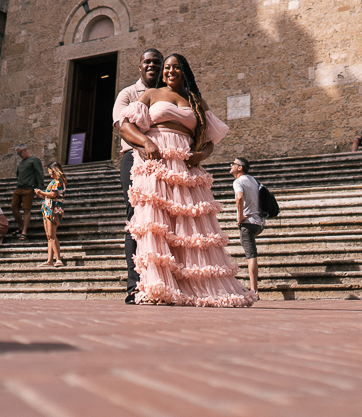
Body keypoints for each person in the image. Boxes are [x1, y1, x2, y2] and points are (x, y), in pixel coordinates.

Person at [120, 53, 255, 306]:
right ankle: (159, 286)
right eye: (167, 68)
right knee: (157, 224)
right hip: (156, 162)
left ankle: (190, 286)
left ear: (185, 71)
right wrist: (146, 141)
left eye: (175, 67)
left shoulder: (196, 101)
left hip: (185, 165)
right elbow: (126, 127)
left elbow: (209, 141)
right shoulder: (150, 95)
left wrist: (200, 155)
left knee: (188, 227)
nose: (169, 71)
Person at [112, 48, 165, 304]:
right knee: (136, 220)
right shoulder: (128, 94)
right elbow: (122, 127)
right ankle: (134, 285)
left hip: (166, 162)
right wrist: (145, 143)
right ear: (140, 66)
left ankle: (162, 281)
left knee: (165, 220)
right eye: (147, 62)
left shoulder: (168, 94)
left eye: (156, 62)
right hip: (133, 160)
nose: (151, 65)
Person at [230, 157, 264, 293]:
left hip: (248, 223)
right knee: (252, 253)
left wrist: (240, 216)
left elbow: (239, 197)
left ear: (240, 168)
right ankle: (254, 289)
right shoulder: (253, 180)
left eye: (233, 163)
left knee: (251, 255)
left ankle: (254, 290)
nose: (231, 165)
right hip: (258, 223)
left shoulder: (238, 181)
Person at [34, 162, 67, 267]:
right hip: (47, 207)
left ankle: (58, 259)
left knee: (52, 235)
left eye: (50, 171)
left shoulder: (58, 181)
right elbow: (49, 195)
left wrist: (41, 192)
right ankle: (50, 260)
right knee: (49, 235)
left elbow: (53, 194)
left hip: (54, 208)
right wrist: (41, 194)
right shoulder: (53, 182)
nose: (49, 174)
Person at [12, 144, 44, 240]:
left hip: (29, 188)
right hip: (19, 188)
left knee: (26, 209)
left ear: (25, 150)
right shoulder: (21, 163)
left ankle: (24, 232)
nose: (19, 155)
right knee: (13, 207)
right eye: (18, 153)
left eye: (20, 153)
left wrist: (40, 188)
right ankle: (21, 227)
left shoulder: (34, 160)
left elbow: (39, 174)